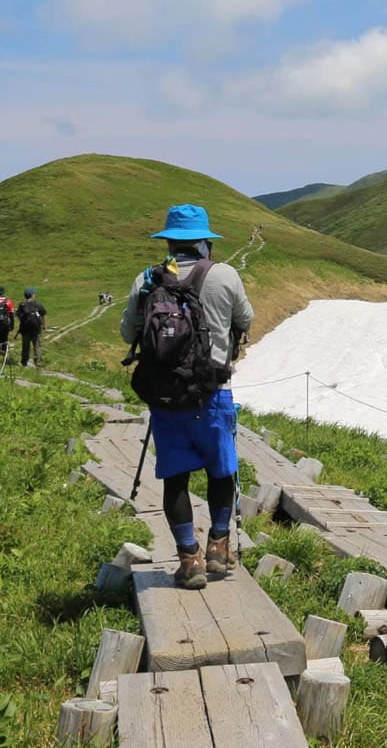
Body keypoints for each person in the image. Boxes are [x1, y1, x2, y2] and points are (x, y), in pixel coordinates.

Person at [121, 203, 253, 590]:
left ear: (168, 241)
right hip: (213, 392)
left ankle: (188, 558)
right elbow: (245, 320)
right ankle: (218, 547)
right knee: (221, 471)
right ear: (205, 242)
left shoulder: (147, 279)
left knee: (174, 479)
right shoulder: (225, 275)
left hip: (166, 395)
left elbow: (128, 333)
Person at [16, 288, 47, 367]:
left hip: (25, 329)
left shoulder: (22, 304)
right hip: (36, 329)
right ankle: (37, 363)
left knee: (25, 346)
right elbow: (43, 314)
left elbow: (18, 316)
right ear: (32, 295)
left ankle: (24, 363)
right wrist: (44, 326)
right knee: (37, 346)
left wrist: (23, 322)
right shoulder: (37, 304)